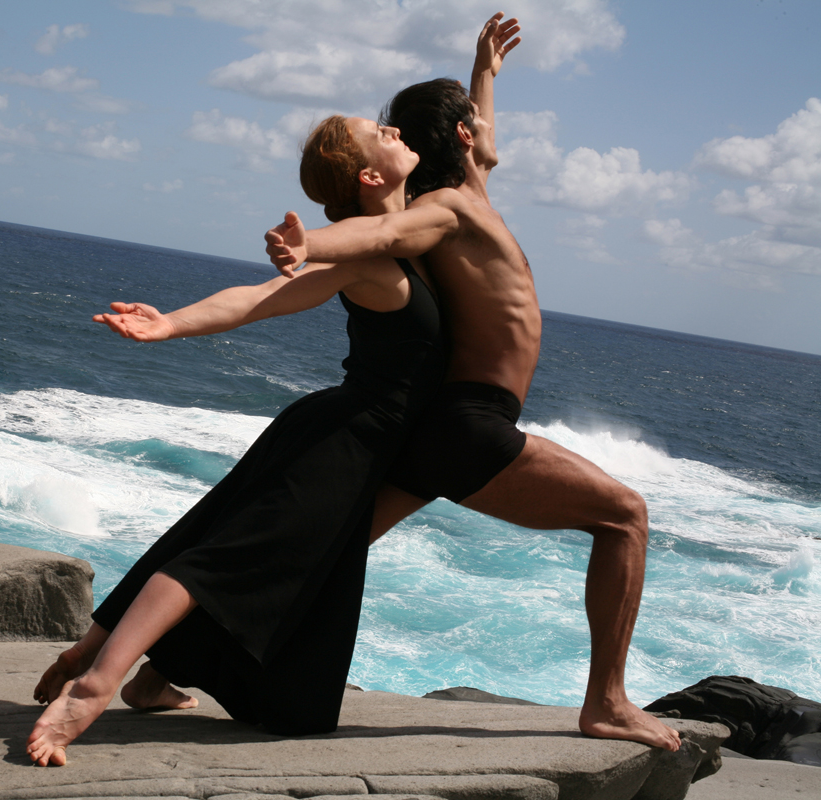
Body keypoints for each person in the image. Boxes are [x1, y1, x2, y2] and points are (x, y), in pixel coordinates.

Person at [264, 13, 681, 752]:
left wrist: (483, 69)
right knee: (624, 516)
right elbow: (382, 236)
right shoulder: (445, 207)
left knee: (322, 545)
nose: (491, 132)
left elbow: (475, 135)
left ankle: (160, 666)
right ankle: (608, 701)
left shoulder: (468, 187)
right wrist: (310, 243)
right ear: (460, 137)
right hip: (469, 424)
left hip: (443, 425)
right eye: (476, 122)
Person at [26, 107, 447, 766]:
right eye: (381, 132)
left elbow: (461, 176)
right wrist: (171, 324)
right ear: (368, 173)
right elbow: (261, 298)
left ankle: (138, 673)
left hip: (350, 438)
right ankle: (92, 686)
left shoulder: (411, 229)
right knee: (222, 562)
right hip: (346, 440)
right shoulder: (361, 247)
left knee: (222, 556)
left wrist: (486, 75)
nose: (396, 128)